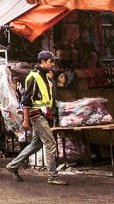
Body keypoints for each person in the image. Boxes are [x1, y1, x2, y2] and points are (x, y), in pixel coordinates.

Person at [4, 50, 68, 185]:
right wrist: (26, 119)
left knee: (36, 144)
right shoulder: (34, 77)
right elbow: (26, 100)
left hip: (44, 114)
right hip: (38, 115)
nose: (52, 64)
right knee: (50, 144)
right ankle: (53, 176)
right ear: (43, 62)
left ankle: (13, 165)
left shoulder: (45, 76)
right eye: (50, 61)